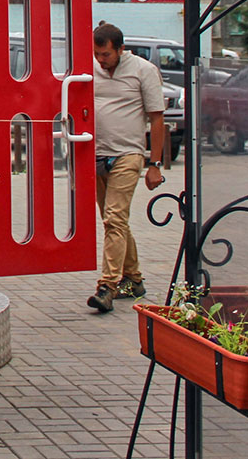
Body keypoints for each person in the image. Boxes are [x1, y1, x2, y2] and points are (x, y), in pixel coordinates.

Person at [87, 22, 167, 313]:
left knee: (114, 219)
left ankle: (107, 287)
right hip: (96, 154)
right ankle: (133, 279)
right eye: (97, 54)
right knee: (114, 221)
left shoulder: (143, 71)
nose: (101, 60)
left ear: (120, 49)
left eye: (106, 54)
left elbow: (157, 119)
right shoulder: (90, 69)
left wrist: (155, 164)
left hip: (128, 155)